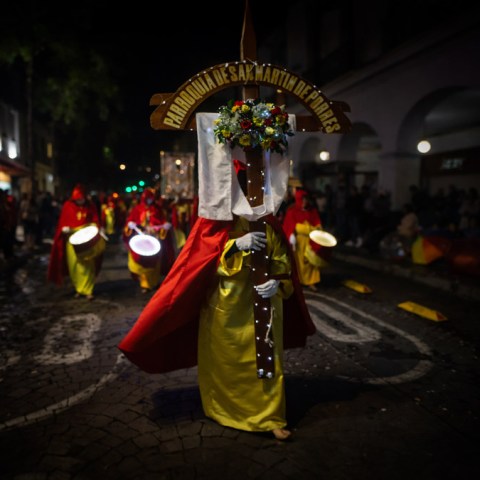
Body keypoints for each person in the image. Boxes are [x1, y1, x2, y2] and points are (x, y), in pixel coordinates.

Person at [118, 157, 316, 441]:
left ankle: (270, 416)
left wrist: (278, 283)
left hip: (264, 306)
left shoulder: (268, 225)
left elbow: (282, 264)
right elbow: (201, 265)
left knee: (267, 361)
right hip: (226, 307)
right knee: (227, 363)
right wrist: (234, 246)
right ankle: (224, 408)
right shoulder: (212, 225)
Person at [47, 184, 104, 300]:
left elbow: (95, 220)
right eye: (78, 199)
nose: (80, 201)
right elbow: (63, 222)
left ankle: (88, 290)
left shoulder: (90, 206)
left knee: (88, 265)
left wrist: (96, 227)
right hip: (71, 240)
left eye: (81, 199)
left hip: (87, 240)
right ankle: (79, 288)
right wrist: (64, 229)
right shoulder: (68, 206)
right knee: (74, 265)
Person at [123, 187, 175, 293]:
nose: (149, 201)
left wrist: (165, 226)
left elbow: (163, 221)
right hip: (140, 238)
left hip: (154, 238)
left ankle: (153, 282)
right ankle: (145, 284)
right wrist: (130, 224)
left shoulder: (158, 209)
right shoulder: (137, 208)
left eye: (151, 198)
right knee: (139, 261)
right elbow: (130, 221)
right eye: (147, 198)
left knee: (154, 262)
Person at [282, 189, 324, 290]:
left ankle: (311, 281)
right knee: (298, 262)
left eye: (306, 199)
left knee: (311, 261)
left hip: (311, 240)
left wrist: (317, 230)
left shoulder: (312, 210)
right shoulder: (292, 211)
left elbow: (318, 224)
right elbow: (289, 226)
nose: (305, 201)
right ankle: (299, 281)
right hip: (298, 242)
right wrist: (291, 235)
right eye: (302, 199)